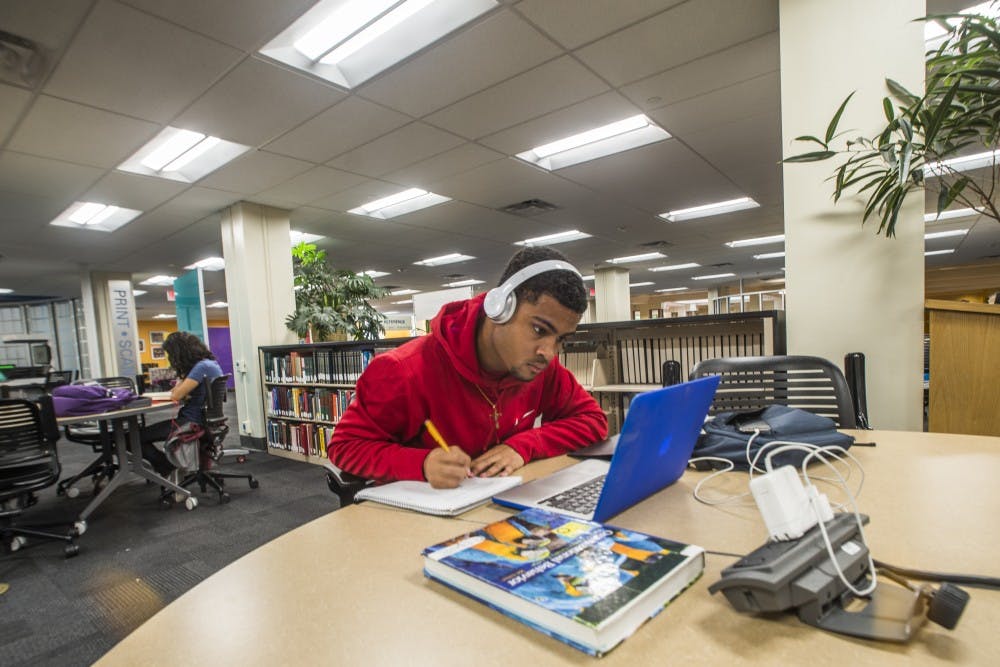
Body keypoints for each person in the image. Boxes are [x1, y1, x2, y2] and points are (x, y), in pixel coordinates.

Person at [329, 247, 608, 488]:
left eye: (560, 339)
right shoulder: (403, 370)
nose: (548, 352)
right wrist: (422, 463)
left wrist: (523, 446)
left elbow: (593, 422)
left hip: (495, 505)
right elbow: (345, 447)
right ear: (501, 307)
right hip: (420, 519)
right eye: (538, 329)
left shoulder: (540, 367)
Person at [139, 331, 223, 476]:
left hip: (190, 421)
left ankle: (165, 466)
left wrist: (183, 376)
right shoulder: (210, 364)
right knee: (137, 436)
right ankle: (166, 467)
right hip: (203, 419)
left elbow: (176, 394)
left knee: (135, 438)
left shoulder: (200, 367)